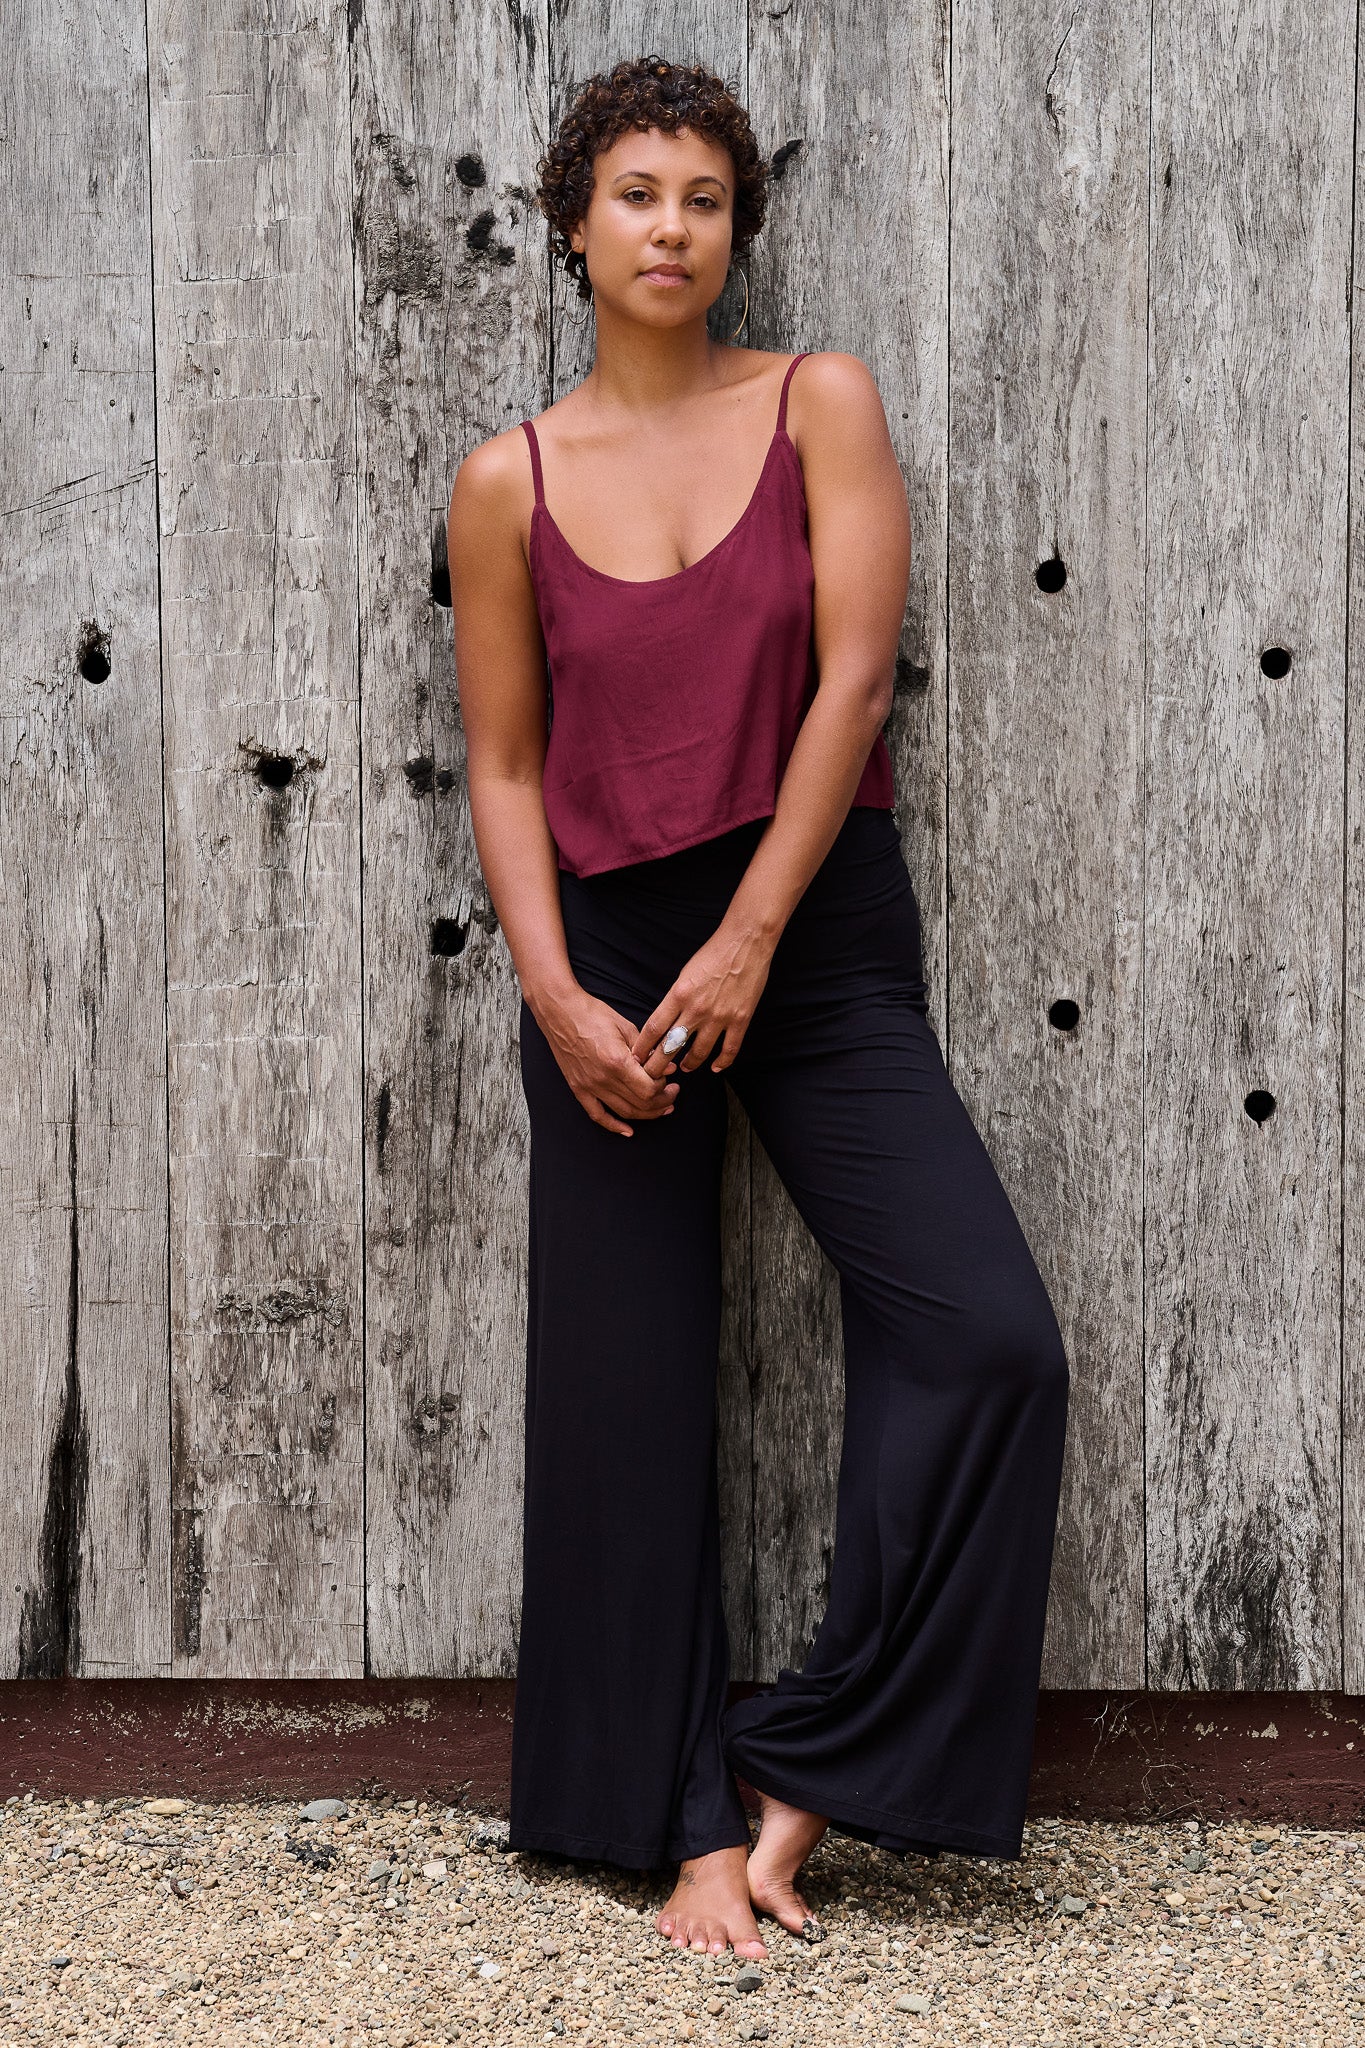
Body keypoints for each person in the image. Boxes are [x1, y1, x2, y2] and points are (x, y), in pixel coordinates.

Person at [447, 53, 1070, 1963]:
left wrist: (749, 939)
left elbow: (855, 681)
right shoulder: (507, 481)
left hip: (810, 933)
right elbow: (500, 764)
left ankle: (811, 1770)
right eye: (634, 194)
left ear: (739, 231)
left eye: (704, 198)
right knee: (623, 1412)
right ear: (571, 225)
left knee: (987, 1343)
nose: (670, 226)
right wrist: (557, 992)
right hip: (606, 968)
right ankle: (679, 1830)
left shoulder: (819, 403)